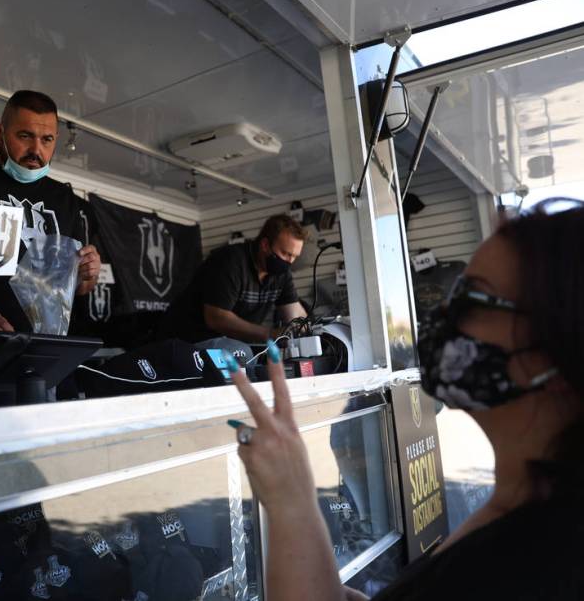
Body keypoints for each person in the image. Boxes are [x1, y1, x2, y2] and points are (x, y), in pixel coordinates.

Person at [227, 199, 584, 600]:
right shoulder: (528, 513)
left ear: (560, 344)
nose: (440, 316)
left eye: (472, 300)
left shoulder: (539, 563)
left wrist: (290, 500)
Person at [0, 90, 101, 342]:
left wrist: (89, 274)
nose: (36, 149)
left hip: (48, 348)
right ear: (0, 133)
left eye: (47, 140)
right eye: (25, 136)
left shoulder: (64, 197)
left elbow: (77, 289)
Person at [164, 214, 307, 344]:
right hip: (186, 341)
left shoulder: (281, 274)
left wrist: (309, 329)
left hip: (228, 345)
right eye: (285, 253)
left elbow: (294, 314)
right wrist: (270, 334)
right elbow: (216, 318)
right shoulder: (230, 261)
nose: (290, 261)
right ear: (265, 245)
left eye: (294, 256)